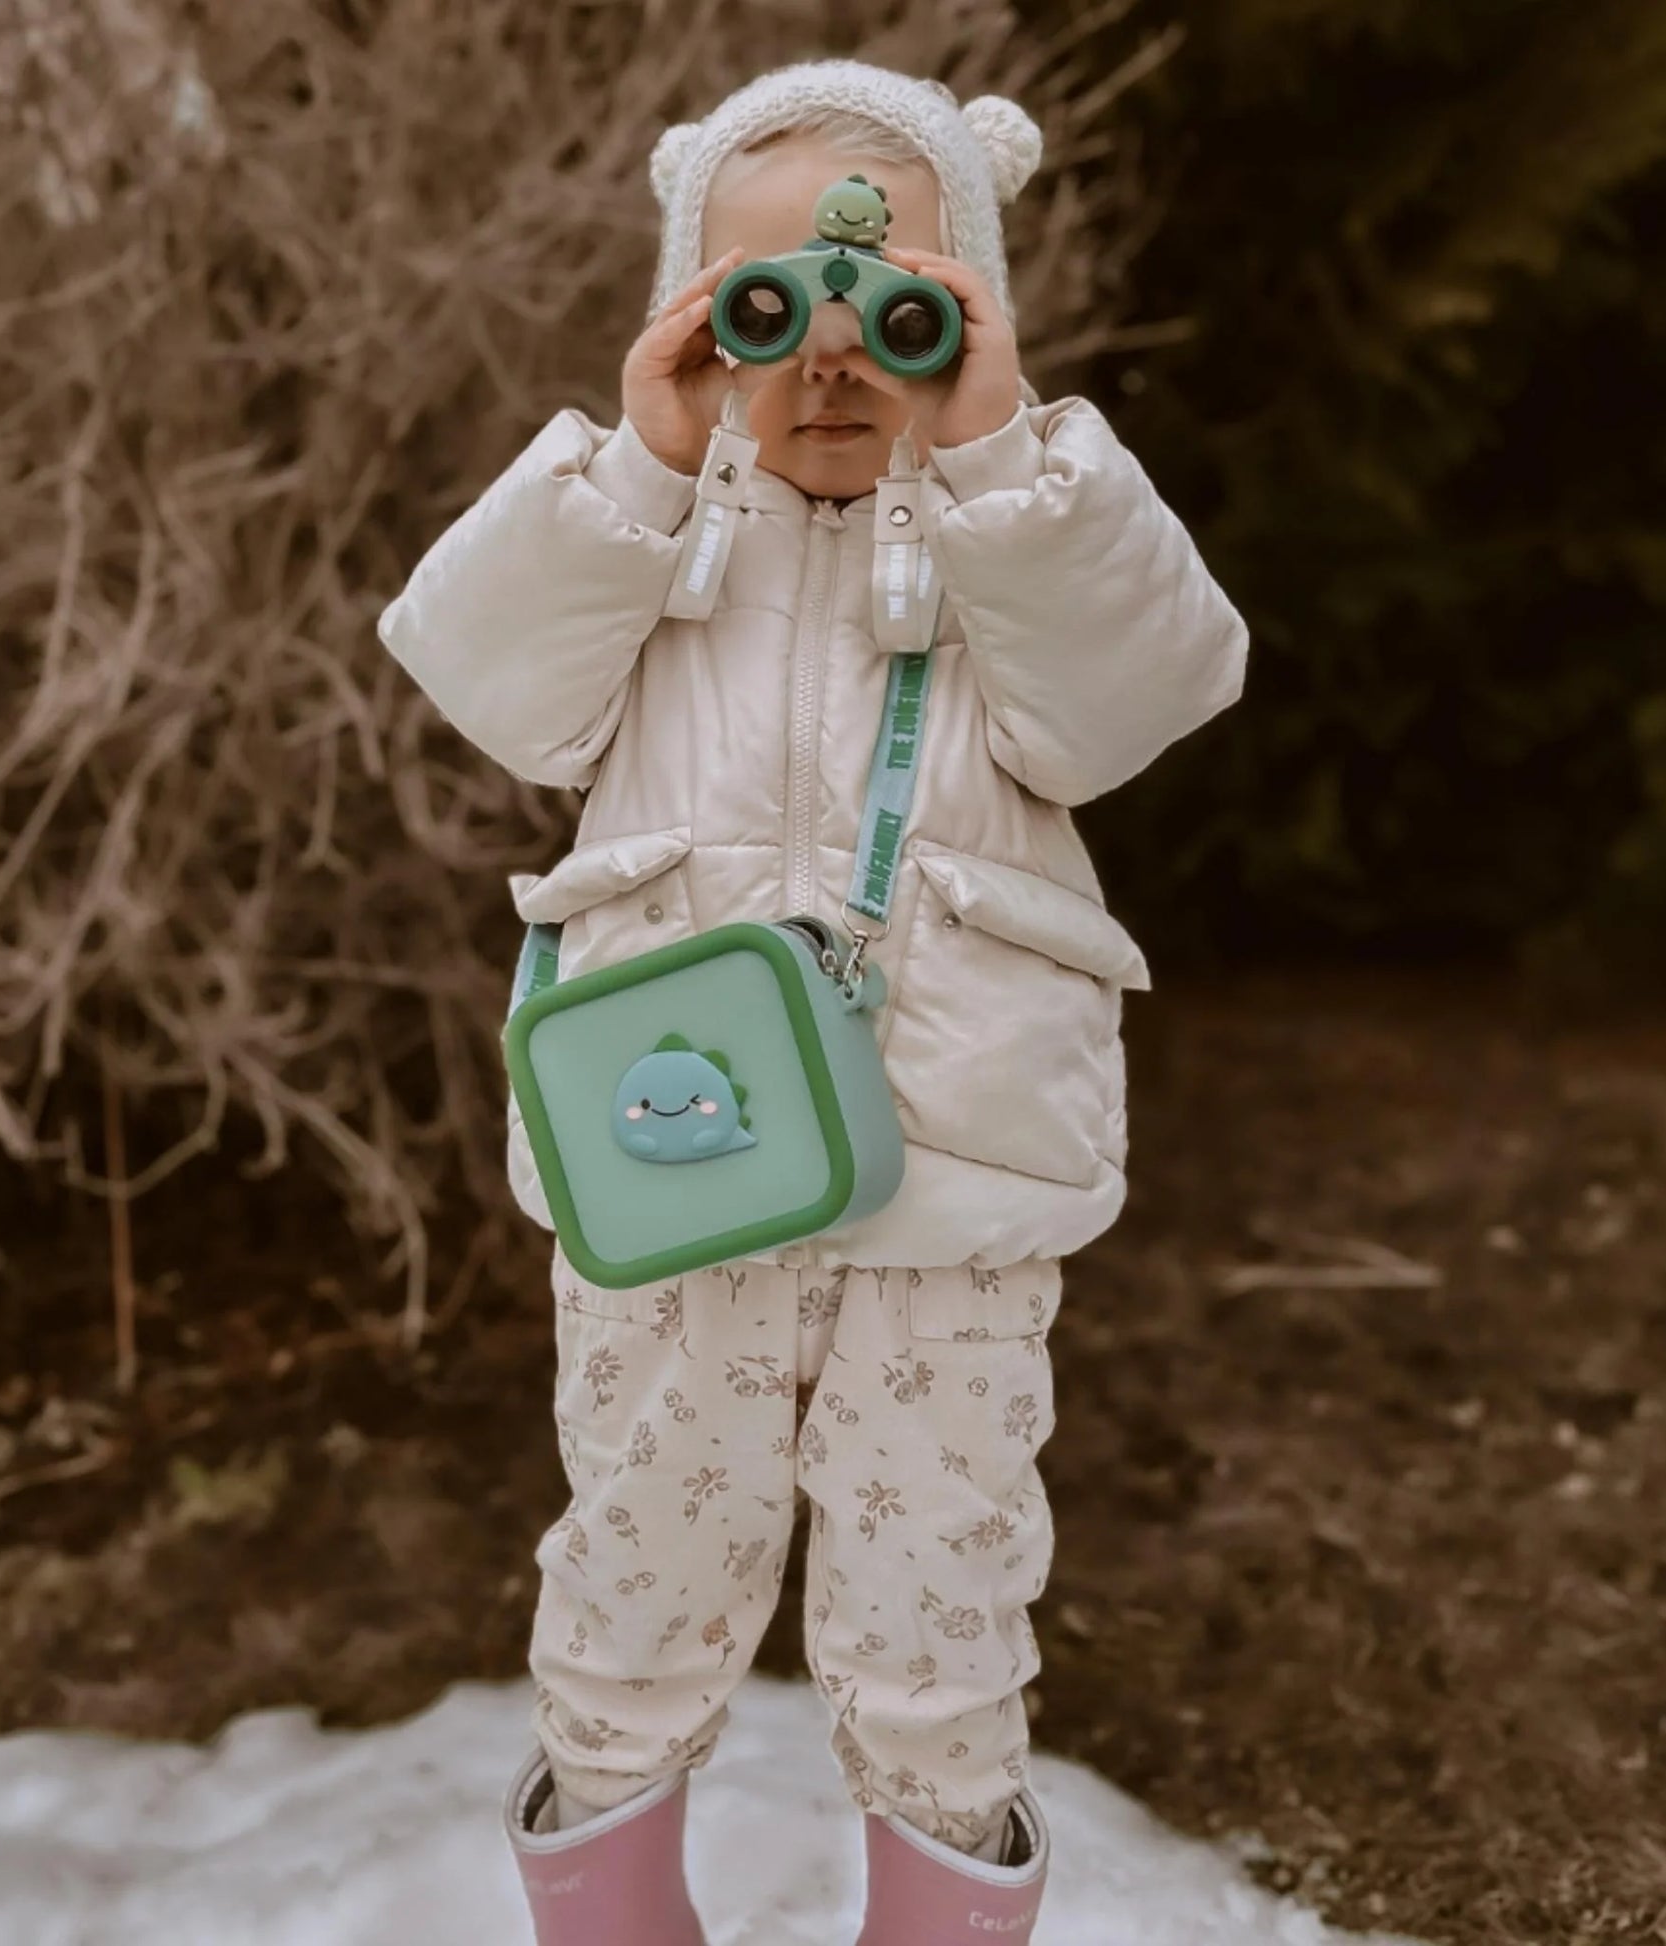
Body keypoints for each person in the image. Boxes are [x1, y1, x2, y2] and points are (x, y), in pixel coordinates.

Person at [377, 57, 1249, 1946]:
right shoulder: (648, 531)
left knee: (937, 1603)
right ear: (697, 315)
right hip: (669, 1161)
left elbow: (1150, 692)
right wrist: (635, 455)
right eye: (766, 311)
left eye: (896, 312)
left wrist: (1011, 455)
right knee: (632, 1567)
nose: (834, 359)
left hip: (948, 1178)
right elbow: (478, 679)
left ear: (973, 314)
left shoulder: (1012, 533)